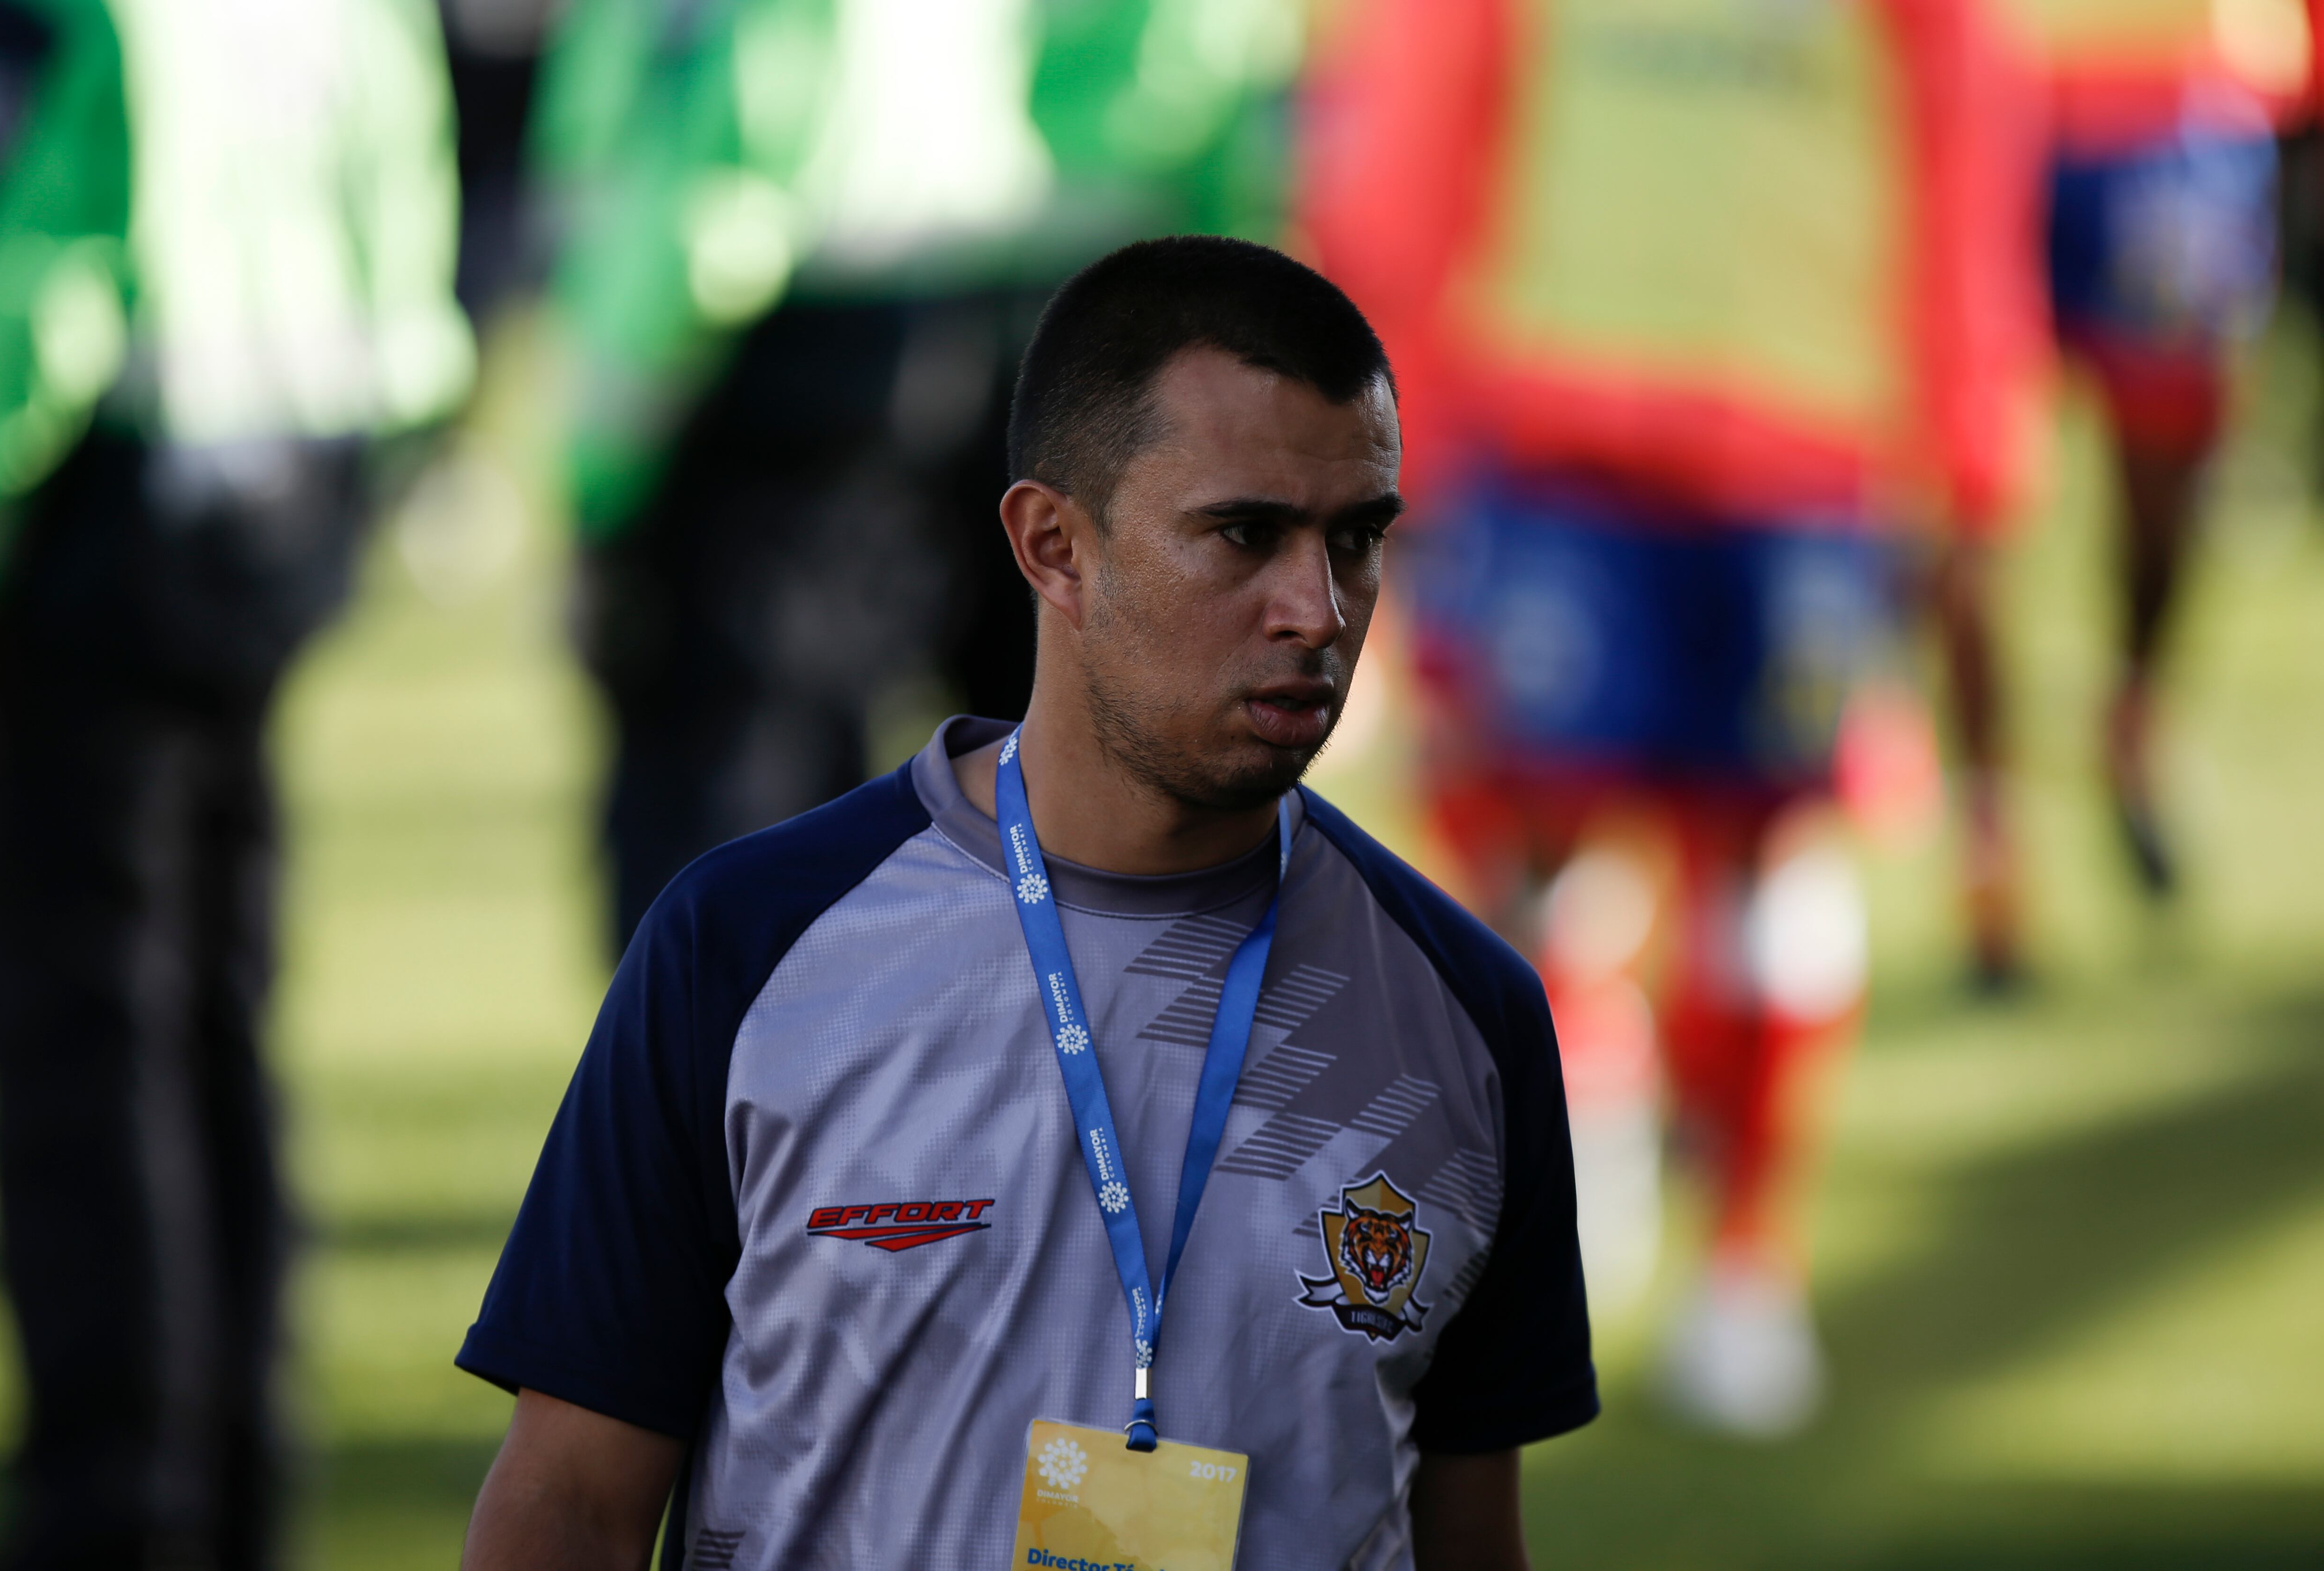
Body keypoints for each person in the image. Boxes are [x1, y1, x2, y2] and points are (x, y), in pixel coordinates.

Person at [456, 237, 1595, 1571]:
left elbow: (1469, 1539)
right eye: (1243, 533)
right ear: (1053, 544)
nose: (1319, 610)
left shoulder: (1466, 1014)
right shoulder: (748, 949)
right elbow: (570, 1507)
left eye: (1357, 539)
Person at [1306, 0, 2045, 1432]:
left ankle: (1749, 1267)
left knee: (1776, 863)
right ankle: (1585, 1115)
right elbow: (1421, 127)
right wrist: (1407, 418)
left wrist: (1968, 435)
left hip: (1806, 455)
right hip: (1558, 430)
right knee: (1530, 841)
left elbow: (1964, 153)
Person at [0, 2, 473, 1565]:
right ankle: (237, 1468)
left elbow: (42, 281)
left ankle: (121, 1504)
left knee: (90, 1046)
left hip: (103, 514)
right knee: (213, 1016)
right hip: (286, 488)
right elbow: (410, 217)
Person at [532, 0, 1303, 949]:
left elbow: (726, 145)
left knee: (745, 793)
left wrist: (603, 462)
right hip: (1017, 279)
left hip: (796, 317)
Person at [1946, 0, 2301, 984]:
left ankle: (2135, 720)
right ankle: (1989, 844)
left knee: (2167, 489)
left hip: (2178, 103)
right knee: (1960, 494)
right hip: (1976, 89)